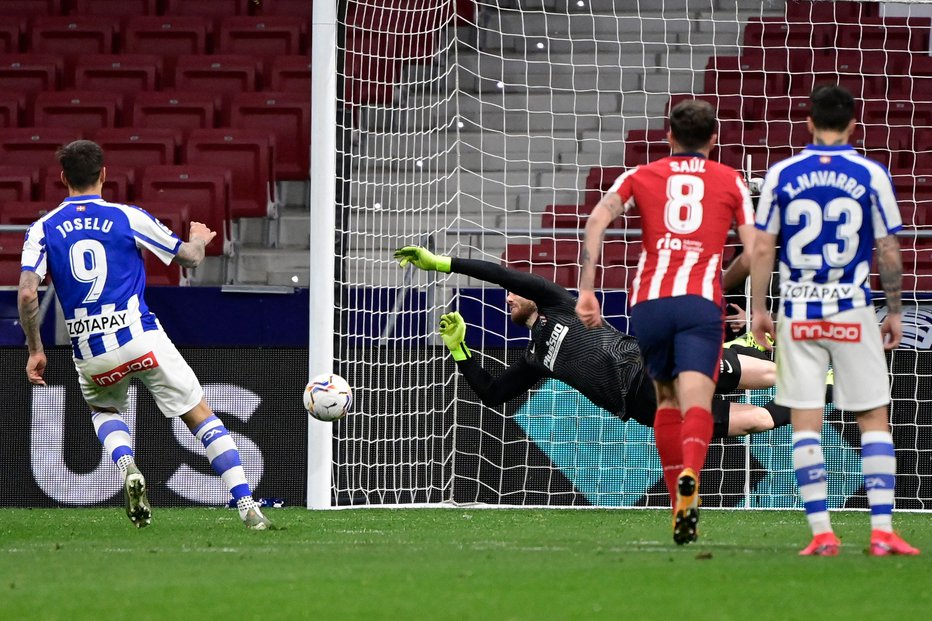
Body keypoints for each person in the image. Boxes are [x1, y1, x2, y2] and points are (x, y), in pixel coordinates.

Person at [17, 140, 277, 530]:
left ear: (62, 178)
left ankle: (127, 466)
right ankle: (247, 506)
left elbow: (25, 292)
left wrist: (35, 348)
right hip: (140, 337)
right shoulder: (127, 217)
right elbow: (187, 257)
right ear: (104, 174)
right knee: (199, 415)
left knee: (104, 410)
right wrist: (200, 241)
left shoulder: (42, 229)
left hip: (90, 349)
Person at [576, 99, 757, 545]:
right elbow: (755, 253)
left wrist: (586, 288)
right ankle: (691, 479)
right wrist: (722, 282)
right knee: (698, 402)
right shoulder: (731, 179)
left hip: (651, 301)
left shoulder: (640, 175)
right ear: (714, 140)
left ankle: (677, 503)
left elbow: (596, 220)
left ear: (669, 137)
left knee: (665, 402)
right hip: (699, 302)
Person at [750, 85, 918, 556]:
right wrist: (896, 311)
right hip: (851, 307)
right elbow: (888, 248)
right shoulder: (870, 173)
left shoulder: (782, 173)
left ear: (808, 123)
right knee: (872, 416)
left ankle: (822, 533)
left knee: (806, 420)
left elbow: (762, 247)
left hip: (799, 311)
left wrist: (761, 308)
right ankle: (882, 530)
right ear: (853, 125)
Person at [393, 245, 788, 443]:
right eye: (507, 297)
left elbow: (499, 274)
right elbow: (493, 393)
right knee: (759, 419)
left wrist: (443, 264)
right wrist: (459, 348)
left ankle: (821, 375)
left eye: (513, 293)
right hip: (644, 406)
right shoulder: (535, 357)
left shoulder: (557, 302)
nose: (509, 298)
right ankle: (817, 393)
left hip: (651, 365)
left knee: (771, 373)